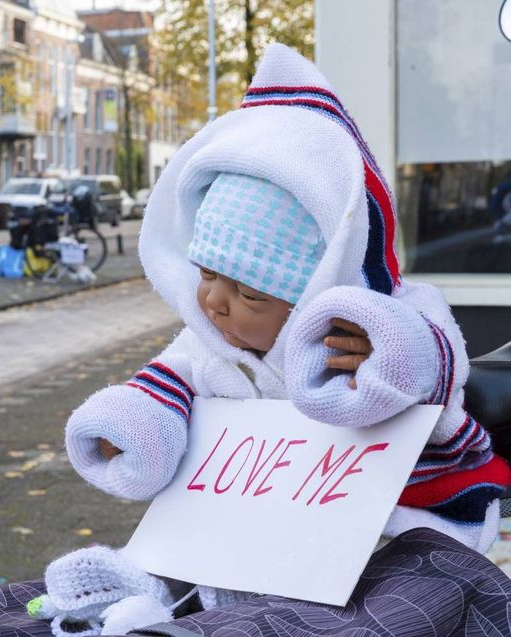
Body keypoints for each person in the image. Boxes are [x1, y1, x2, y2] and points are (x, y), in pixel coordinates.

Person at [28, 44, 511, 635]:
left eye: (250, 294)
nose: (214, 303)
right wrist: (128, 430)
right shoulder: (210, 346)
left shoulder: (383, 320)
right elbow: (164, 390)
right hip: (263, 541)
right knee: (197, 567)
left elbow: (439, 357)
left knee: (411, 589)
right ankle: (153, 597)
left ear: (319, 287)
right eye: (206, 275)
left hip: (403, 527)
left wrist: (391, 354)